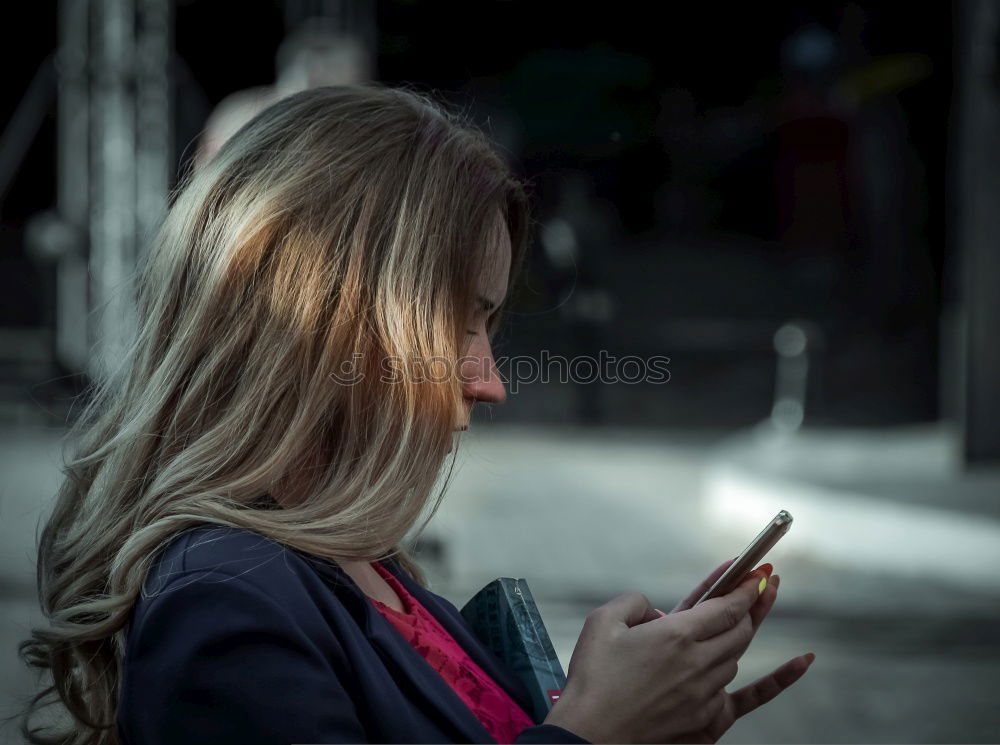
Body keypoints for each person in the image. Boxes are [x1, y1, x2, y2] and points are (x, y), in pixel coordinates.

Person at [16, 83, 814, 745]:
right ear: (323, 319)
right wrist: (596, 731)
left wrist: (637, 718)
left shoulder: (353, 563)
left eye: (490, 326)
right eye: (459, 321)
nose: (490, 381)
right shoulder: (227, 599)